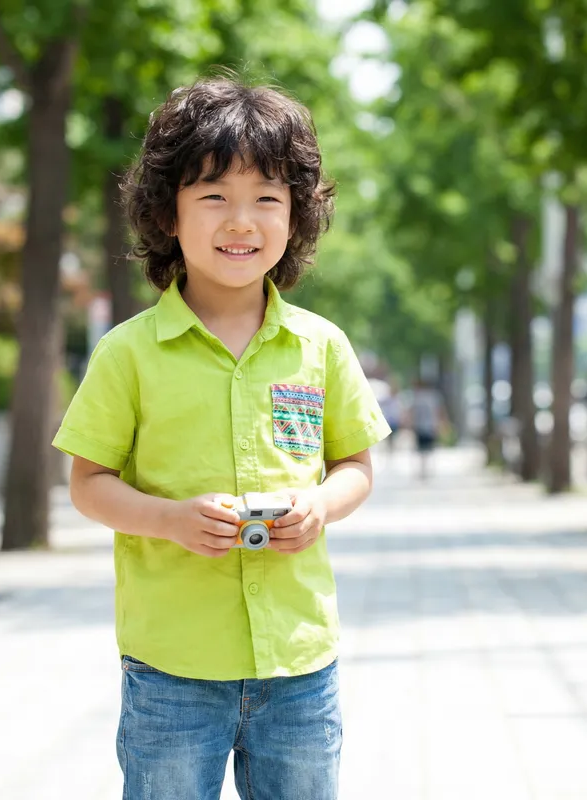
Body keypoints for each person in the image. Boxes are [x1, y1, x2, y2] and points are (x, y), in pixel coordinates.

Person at [52, 74, 390, 800]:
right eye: (214, 197)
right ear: (167, 214)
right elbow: (88, 482)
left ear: (295, 216)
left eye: (267, 198)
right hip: (172, 666)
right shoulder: (129, 352)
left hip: (299, 665)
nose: (242, 221)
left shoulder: (320, 346)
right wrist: (168, 520)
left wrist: (321, 506)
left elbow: (355, 463)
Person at [408, 378, 446, 481]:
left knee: (421, 450)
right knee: (429, 449)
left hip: (419, 426)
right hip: (430, 426)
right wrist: (440, 424)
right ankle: (427, 469)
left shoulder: (417, 398)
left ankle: (423, 469)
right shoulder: (434, 397)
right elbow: (438, 411)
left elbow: (412, 412)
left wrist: (410, 424)